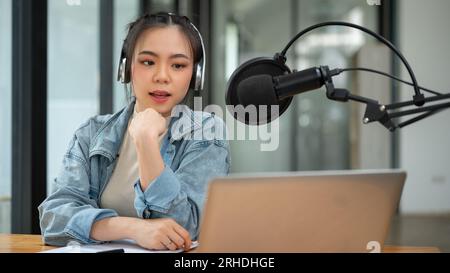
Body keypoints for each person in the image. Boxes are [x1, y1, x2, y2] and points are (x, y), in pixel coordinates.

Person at [38, 12, 230, 251]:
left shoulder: (205, 133)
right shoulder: (92, 133)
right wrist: (132, 228)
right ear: (126, 68)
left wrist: (146, 143)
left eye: (178, 65)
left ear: (195, 75)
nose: (162, 76)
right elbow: (54, 218)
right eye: (148, 62)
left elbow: (184, 229)